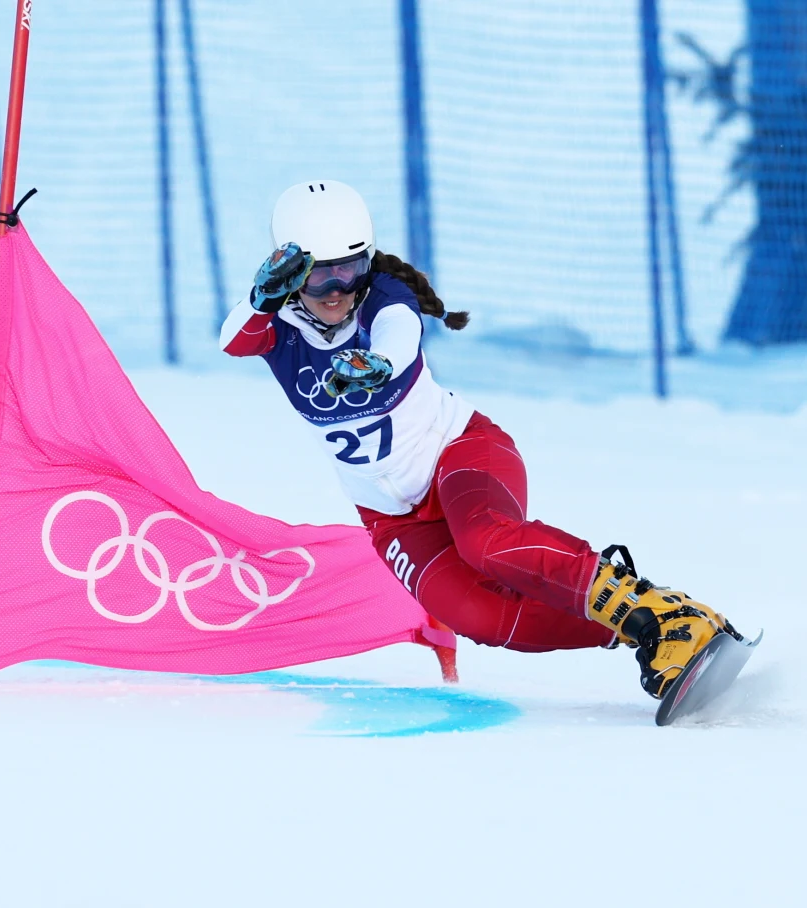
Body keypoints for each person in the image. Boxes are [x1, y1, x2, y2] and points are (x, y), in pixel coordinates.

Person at [219, 180, 739, 700]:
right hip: (391, 516)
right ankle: (656, 627)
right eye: (318, 275)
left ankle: (661, 613)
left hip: (460, 451)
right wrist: (260, 299)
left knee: (485, 540)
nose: (336, 289)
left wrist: (377, 365)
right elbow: (232, 340)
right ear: (286, 272)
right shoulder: (279, 326)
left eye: (349, 269)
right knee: (480, 617)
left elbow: (399, 335)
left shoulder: (383, 297)